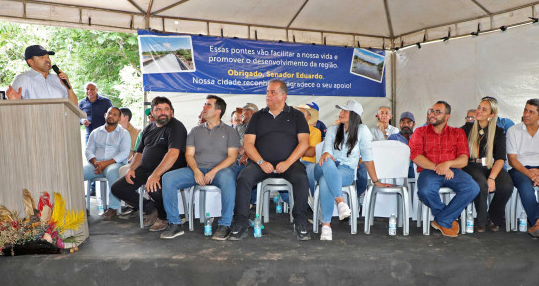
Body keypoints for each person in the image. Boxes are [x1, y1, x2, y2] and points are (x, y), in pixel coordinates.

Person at [231, 80, 311, 241]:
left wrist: (288, 162)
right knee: (244, 178)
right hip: (261, 163)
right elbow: (248, 143)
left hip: (289, 163)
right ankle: (241, 221)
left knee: (301, 178)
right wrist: (260, 162)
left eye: (272, 92)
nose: (268, 95)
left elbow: (304, 143)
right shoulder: (258, 116)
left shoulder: (297, 116)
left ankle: (300, 220)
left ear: (284, 96)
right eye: (267, 91)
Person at [161, 95, 239, 240]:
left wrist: (213, 171)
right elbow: (189, 155)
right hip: (197, 169)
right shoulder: (195, 131)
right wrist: (196, 171)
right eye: (204, 104)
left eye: (208, 105)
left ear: (218, 111)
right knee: (168, 178)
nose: (204, 107)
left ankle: (225, 225)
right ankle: (175, 224)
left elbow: (232, 157)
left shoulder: (230, 131)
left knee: (228, 178)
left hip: (221, 171)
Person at [315, 100, 390, 240]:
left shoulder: (362, 131)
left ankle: (326, 226)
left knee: (325, 180)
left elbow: (367, 158)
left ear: (354, 115)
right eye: (341, 110)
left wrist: (376, 181)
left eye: (345, 111)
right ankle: (340, 201)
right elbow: (326, 152)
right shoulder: (332, 130)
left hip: (346, 171)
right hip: (324, 166)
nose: (341, 113)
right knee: (327, 160)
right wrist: (327, 155)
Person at [111, 96, 187, 232]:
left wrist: (156, 175)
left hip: (168, 172)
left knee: (154, 188)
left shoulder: (176, 126)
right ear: (152, 112)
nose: (163, 112)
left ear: (171, 111)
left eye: (166, 109)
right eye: (158, 109)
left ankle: (163, 217)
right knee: (118, 188)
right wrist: (132, 168)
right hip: (145, 169)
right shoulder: (148, 129)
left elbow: (173, 154)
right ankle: (150, 208)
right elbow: (139, 153)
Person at [409, 101, 480, 237]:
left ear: (447, 116)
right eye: (432, 111)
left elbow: (464, 159)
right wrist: (438, 167)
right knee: (425, 191)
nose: (432, 114)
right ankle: (446, 219)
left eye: (437, 112)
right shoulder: (420, 131)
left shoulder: (457, 133)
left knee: (473, 188)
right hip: (428, 170)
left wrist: (447, 164)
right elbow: (416, 156)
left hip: (453, 171)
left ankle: (442, 220)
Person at [507, 98, 539, 243]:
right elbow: (512, 160)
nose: (526, 114)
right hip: (520, 168)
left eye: (531, 112)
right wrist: (529, 174)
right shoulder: (513, 130)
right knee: (525, 186)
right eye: (525, 110)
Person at [461, 97, 513, 232]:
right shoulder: (466, 129)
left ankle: (494, 217)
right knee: (481, 184)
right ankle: (481, 220)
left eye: (484, 110)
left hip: (491, 165)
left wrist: (492, 178)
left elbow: (501, 158)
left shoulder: (499, 131)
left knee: (506, 186)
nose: (479, 111)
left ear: (492, 115)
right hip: (471, 165)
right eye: (479, 107)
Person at [84, 107, 131, 219]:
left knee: (112, 173)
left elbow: (124, 153)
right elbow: (88, 150)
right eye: (109, 113)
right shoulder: (95, 132)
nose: (111, 116)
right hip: (95, 165)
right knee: (76, 173)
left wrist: (106, 163)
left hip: (115, 164)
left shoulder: (123, 133)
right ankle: (79, 206)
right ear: (105, 115)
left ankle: (113, 207)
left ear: (119, 118)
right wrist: (96, 162)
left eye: (115, 114)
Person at [6, 45, 78, 105]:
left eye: (48, 57)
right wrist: (15, 101)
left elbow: (74, 107)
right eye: (42, 57)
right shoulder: (23, 79)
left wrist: (69, 88)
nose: (48, 60)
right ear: (31, 62)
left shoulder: (58, 79)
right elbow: (14, 106)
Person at [388, 111, 416, 178]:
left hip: (415, 169)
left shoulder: (418, 137)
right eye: (403, 122)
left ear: (414, 124)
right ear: (400, 123)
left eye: (409, 122)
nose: (405, 124)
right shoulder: (393, 137)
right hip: (398, 169)